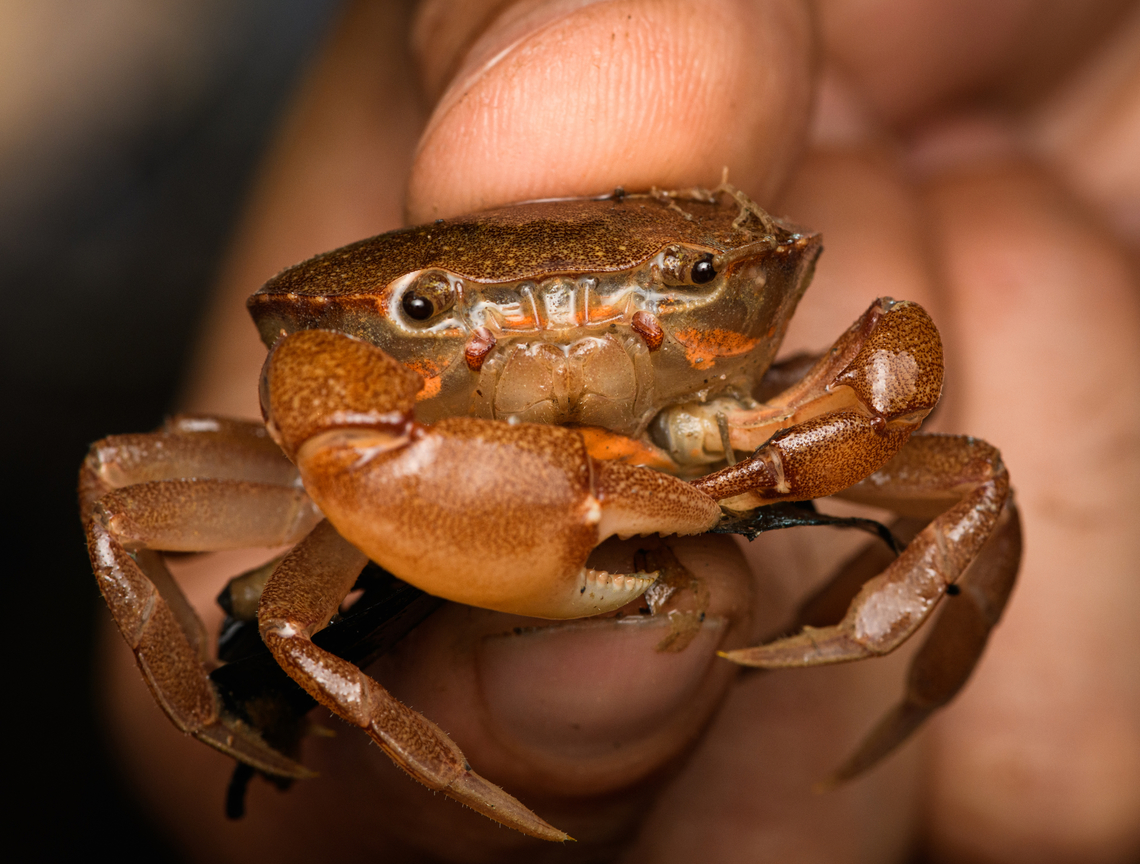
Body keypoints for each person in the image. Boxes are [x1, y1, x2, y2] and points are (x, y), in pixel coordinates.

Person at [102, 1, 1140, 860]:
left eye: (685, 285)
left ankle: (862, 663)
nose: (567, 349)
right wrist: (203, 707)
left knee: (975, 487)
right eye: (426, 314)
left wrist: (855, 602)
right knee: (166, 525)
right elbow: (137, 513)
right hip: (378, 458)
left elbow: (897, 372)